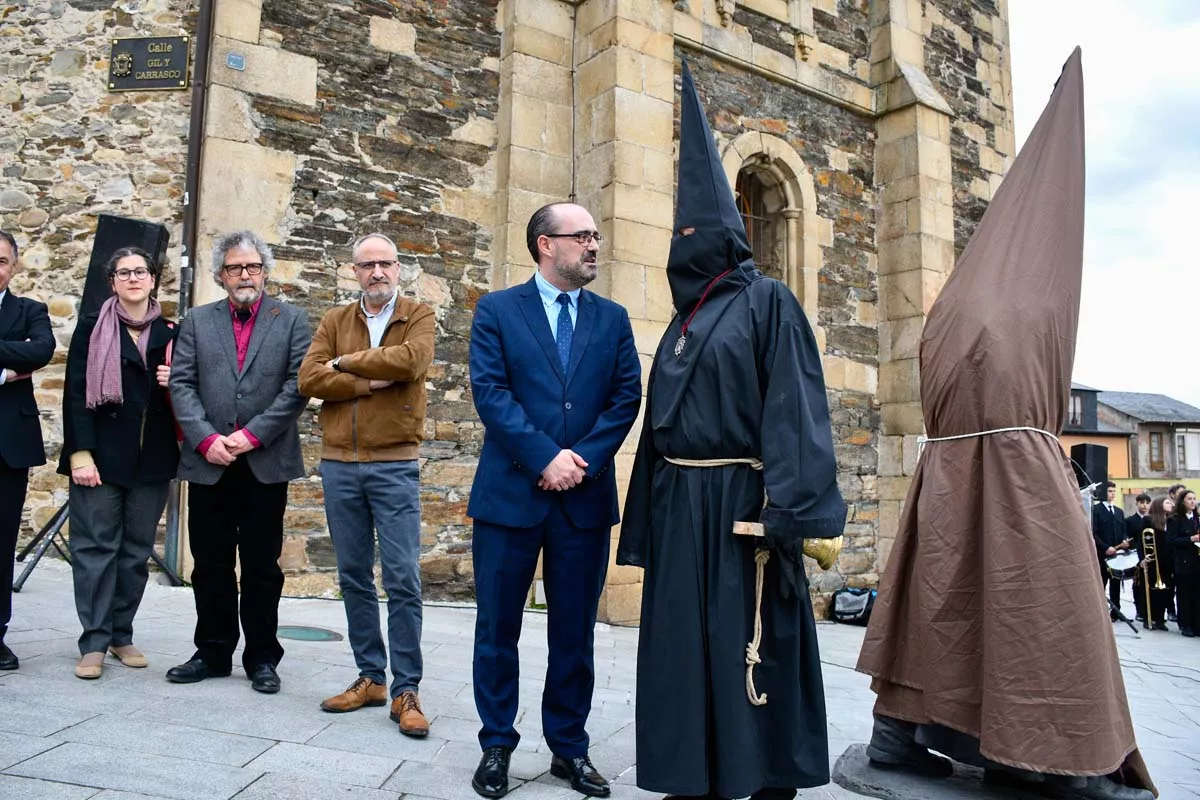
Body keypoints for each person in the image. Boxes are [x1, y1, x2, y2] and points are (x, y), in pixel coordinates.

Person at [616, 62, 847, 800]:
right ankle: (693, 775)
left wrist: (791, 510)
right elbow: (658, 433)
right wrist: (647, 525)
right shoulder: (681, 323)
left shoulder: (768, 303)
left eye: (701, 231)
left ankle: (761, 774)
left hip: (744, 511)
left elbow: (796, 408)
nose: (688, 243)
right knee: (686, 652)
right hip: (683, 512)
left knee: (746, 643)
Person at [467, 202, 641, 798]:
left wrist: (579, 462)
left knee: (574, 633)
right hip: (508, 497)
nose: (595, 244)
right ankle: (496, 745)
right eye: (583, 235)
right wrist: (544, 457)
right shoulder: (496, 311)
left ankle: (569, 748)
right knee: (497, 628)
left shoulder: (613, 320)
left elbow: (625, 400)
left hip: (583, 502)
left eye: (597, 233)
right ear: (546, 244)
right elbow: (490, 394)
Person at [298, 233, 435, 736]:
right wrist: (366, 379)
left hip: (395, 463)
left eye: (386, 264)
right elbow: (309, 379)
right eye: (367, 265)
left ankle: (407, 689)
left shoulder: (417, 315)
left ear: (399, 269)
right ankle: (370, 677)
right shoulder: (336, 320)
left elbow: (411, 362)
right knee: (354, 573)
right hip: (339, 463)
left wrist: (347, 362)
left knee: (402, 577)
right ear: (353, 271)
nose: (377, 272)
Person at [166, 230, 311, 693]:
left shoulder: (292, 321)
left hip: (264, 462)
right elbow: (182, 384)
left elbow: (297, 387)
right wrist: (206, 438)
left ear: (265, 271)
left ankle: (262, 657)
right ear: (220, 275)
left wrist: (250, 436)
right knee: (209, 562)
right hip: (208, 461)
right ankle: (212, 650)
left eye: (251, 267)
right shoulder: (197, 321)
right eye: (234, 268)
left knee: (262, 566)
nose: (244, 275)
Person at [58, 247, 179, 679]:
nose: (132, 278)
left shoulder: (172, 333)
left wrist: (174, 382)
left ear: (152, 280)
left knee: (134, 552)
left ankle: (120, 634)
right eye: (123, 272)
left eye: (140, 272)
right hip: (100, 457)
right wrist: (79, 453)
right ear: (112, 282)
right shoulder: (93, 328)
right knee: (94, 550)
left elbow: (191, 393)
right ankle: (93, 641)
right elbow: (75, 394)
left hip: (152, 460)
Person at [0, 229, 55, 672]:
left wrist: (19, 361)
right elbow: (22, 355)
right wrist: (8, 365)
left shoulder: (31, 310)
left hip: (8, 450)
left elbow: (41, 350)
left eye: (2, 259)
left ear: (14, 265)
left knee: (0, 546)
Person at [1132, 496, 1172, 632]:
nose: (1171, 504)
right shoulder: (1148, 520)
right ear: (1160, 505)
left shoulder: (1171, 521)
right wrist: (1142, 559)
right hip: (1152, 560)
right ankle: (1148, 617)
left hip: (1167, 562)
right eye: (1167, 502)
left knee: (1165, 590)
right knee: (1150, 590)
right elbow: (1140, 542)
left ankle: (1160, 618)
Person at [1092, 481, 1130, 620]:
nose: (1112, 494)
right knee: (1101, 583)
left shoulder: (1119, 511)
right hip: (1102, 554)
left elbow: (1123, 530)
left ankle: (1116, 612)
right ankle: (1099, 613)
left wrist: (1125, 541)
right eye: (1109, 491)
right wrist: (1105, 547)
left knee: (1116, 584)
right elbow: (1093, 532)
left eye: (1114, 491)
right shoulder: (1095, 510)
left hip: (1117, 555)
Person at [1166, 489, 1200, 637]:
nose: (1193, 502)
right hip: (1183, 561)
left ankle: (1196, 624)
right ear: (1182, 502)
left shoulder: (1197, 518)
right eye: (1189, 499)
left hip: (1197, 560)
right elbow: (1171, 541)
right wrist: (1191, 539)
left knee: (1197, 594)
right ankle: (1185, 624)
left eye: (1194, 499)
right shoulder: (1175, 519)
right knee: (1184, 594)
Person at [1127, 492, 1152, 621]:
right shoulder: (1130, 521)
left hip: (1150, 554)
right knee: (1138, 584)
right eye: (1142, 503)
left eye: (1147, 503)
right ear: (1136, 504)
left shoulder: (1152, 520)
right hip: (1136, 555)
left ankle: (1149, 610)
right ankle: (1139, 610)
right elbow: (1129, 539)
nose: (1144, 506)